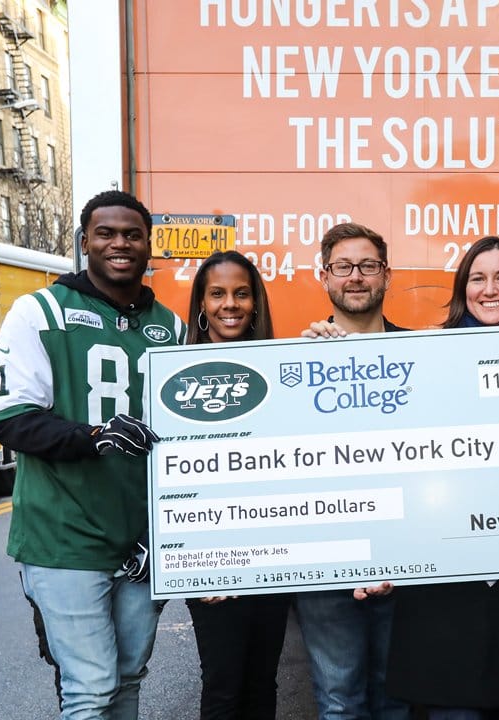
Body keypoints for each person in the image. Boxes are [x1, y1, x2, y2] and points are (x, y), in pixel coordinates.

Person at [0, 190, 184, 719]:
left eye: (132, 234)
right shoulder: (40, 311)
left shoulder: (171, 327)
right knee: (91, 687)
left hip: (141, 540)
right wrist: (94, 435)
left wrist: (169, 532)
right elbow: (11, 419)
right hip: (64, 537)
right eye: (106, 233)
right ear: (84, 242)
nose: (120, 243)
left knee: (129, 676)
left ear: (148, 244)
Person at [383, 236, 499, 720]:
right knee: (453, 707)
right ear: (463, 288)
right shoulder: (426, 356)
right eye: (477, 278)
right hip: (446, 573)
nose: (490, 289)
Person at [294, 222, 412, 720]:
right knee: (339, 702)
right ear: (324, 276)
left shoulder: (423, 355)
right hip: (325, 561)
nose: (356, 276)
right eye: (343, 266)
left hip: (408, 558)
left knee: (397, 700)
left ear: (387, 274)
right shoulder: (297, 358)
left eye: (367, 266)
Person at [182, 251, 291, 720]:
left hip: (271, 554)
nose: (230, 304)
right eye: (218, 294)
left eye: (241, 293)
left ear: (255, 302)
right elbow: (169, 477)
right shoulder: (176, 372)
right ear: (201, 304)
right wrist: (196, 568)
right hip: (209, 559)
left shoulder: (282, 369)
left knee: (262, 682)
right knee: (224, 687)